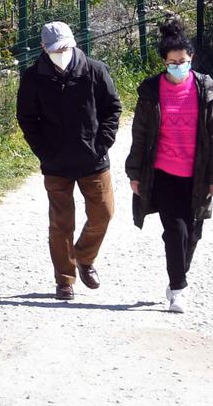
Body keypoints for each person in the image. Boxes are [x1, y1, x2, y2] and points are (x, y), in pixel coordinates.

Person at [15, 20, 123, 301]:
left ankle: (84, 257)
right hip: (56, 164)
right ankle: (64, 280)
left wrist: (101, 144)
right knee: (61, 223)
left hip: (93, 160)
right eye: (55, 49)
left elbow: (112, 109)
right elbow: (27, 119)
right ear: (43, 48)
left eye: (65, 48)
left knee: (104, 213)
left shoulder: (95, 71)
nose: (61, 53)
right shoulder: (33, 78)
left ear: (74, 43)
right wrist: (44, 151)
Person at [125, 18, 213, 314]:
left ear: (191, 58)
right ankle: (178, 289)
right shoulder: (151, 91)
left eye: (182, 61)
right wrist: (134, 172)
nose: (178, 66)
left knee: (193, 234)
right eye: (172, 63)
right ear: (164, 63)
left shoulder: (205, 88)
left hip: (197, 173)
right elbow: (140, 134)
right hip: (164, 173)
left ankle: (177, 276)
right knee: (175, 232)